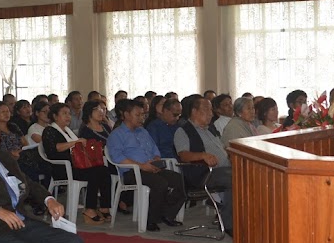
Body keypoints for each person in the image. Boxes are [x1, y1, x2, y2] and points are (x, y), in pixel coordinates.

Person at [107, 99, 186, 232]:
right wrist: (141, 166)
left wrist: (156, 160)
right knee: (160, 183)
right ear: (126, 115)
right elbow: (118, 158)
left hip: (150, 167)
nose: (141, 118)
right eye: (137, 115)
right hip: (131, 172)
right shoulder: (117, 134)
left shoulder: (143, 132)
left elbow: (155, 150)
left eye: (143, 114)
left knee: (179, 180)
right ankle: (151, 220)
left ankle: (167, 214)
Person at [174, 95, 234, 235]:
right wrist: (202, 155)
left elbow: (222, 149)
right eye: (206, 110)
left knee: (247, 175)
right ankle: (229, 224)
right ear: (194, 111)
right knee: (234, 179)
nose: (211, 114)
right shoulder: (183, 131)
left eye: (211, 110)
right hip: (202, 173)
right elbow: (183, 155)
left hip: (223, 170)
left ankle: (238, 216)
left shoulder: (210, 129)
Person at [42, 102, 111, 223]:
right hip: (61, 168)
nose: (68, 116)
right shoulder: (49, 130)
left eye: (69, 114)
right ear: (55, 116)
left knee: (103, 170)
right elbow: (55, 148)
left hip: (76, 166)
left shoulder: (67, 130)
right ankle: (90, 209)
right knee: (95, 173)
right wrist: (75, 142)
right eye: (64, 113)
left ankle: (104, 207)